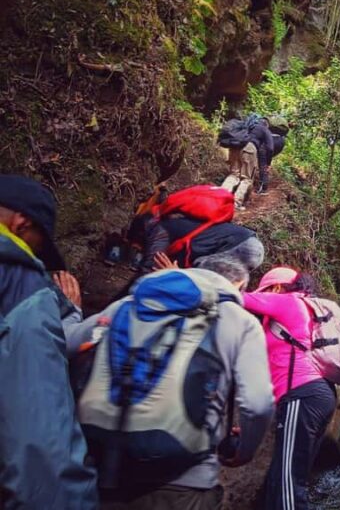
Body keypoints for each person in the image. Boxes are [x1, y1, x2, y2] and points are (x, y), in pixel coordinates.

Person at [67, 257, 275, 510]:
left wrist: (71, 311)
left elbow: (65, 342)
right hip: (184, 482)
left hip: (106, 468)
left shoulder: (127, 304)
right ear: (239, 283)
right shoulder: (239, 321)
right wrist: (244, 451)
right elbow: (257, 403)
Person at [0, 174, 98, 509]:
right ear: (20, 223)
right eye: (37, 245)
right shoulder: (22, 285)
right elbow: (40, 436)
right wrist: (70, 314)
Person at [242, 267, 337, 510]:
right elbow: (277, 370)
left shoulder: (287, 302)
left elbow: (236, 297)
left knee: (288, 481)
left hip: (302, 395)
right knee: (283, 475)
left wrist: (183, 277)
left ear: (274, 288)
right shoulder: (305, 307)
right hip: (314, 393)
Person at [130, 212, 264, 273]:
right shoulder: (178, 224)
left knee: (205, 282)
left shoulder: (159, 230)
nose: (140, 250)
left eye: (137, 247)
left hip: (238, 245)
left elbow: (148, 270)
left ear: (141, 232)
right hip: (249, 244)